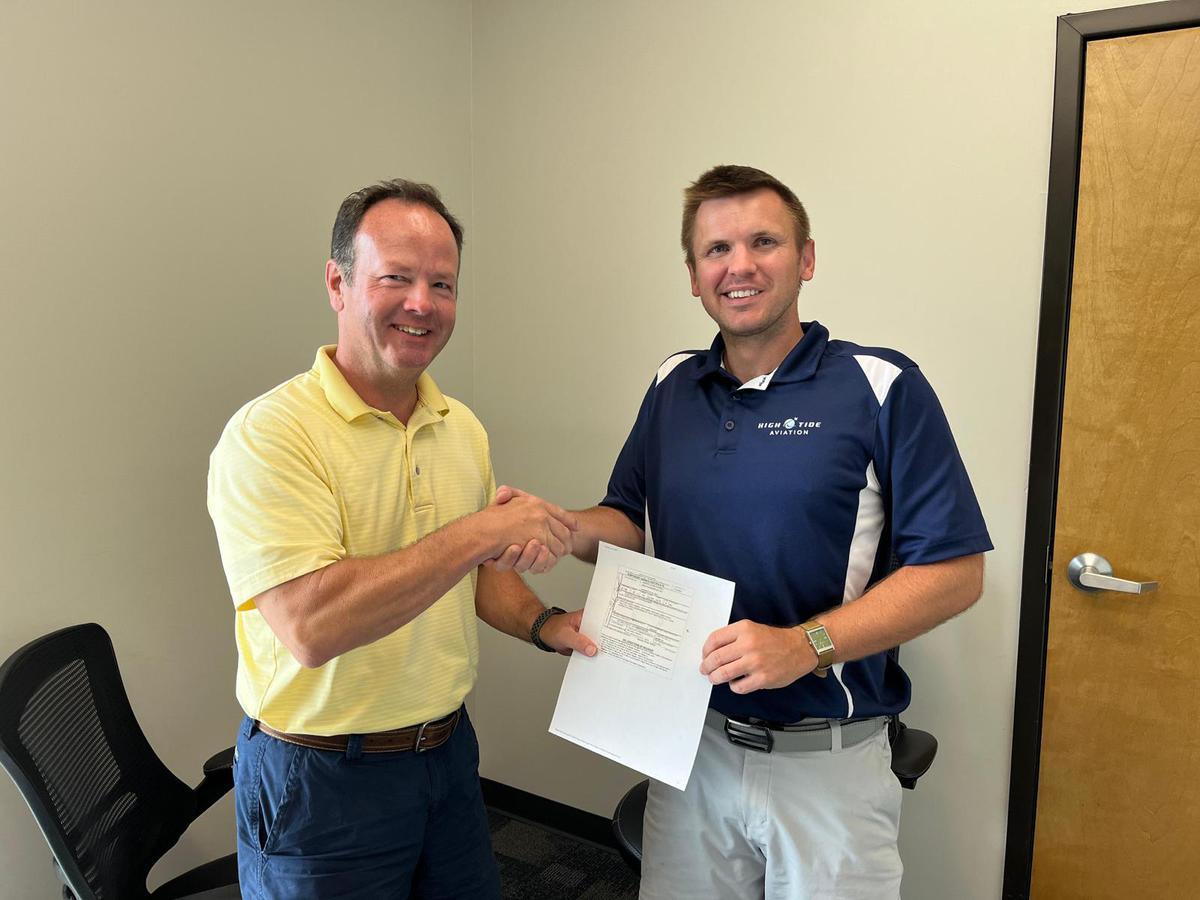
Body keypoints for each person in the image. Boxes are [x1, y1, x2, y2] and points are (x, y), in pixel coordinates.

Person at [561, 164, 992, 899]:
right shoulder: (673, 385)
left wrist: (805, 645)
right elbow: (630, 523)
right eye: (717, 250)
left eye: (765, 241)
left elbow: (954, 573)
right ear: (694, 276)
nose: (741, 265)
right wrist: (562, 527)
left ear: (807, 259)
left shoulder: (881, 386)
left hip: (826, 765)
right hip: (690, 746)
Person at [206, 179, 594, 900]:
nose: (423, 302)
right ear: (338, 284)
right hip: (319, 779)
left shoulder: (462, 427)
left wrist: (548, 625)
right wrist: (481, 529)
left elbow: (474, 573)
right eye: (397, 277)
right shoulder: (270, 437)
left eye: (442, 284)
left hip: (445, 755)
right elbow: (314, 626)